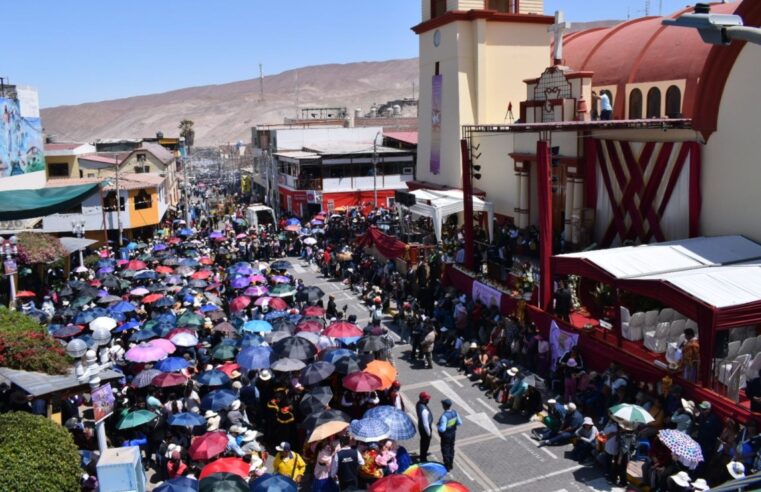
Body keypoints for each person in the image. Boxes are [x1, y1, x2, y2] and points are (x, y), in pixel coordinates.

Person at [437, 399, 462, 471]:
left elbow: (442, 429)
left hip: (446, 436)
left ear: (444, 406)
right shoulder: (455, 412)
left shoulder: (444, 416)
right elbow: (460, 423)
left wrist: (438, 426)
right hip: (453, 433)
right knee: (451, 448)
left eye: (442, 404)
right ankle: (451, 463)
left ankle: (447, 466)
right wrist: (453, 425)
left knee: (445, 450)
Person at [416, 392, 434, 462]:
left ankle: (423, 454)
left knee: (423, 442)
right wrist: (429, 433)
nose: (428, 400)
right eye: (427, 399)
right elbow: (425, 424)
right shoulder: (423, 409)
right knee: (425, 443)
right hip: (425, 429)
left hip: (421, 427)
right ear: (423, 400)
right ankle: (423, 458)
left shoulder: (418, 404)